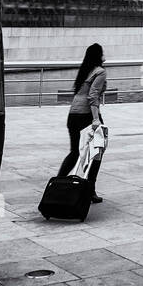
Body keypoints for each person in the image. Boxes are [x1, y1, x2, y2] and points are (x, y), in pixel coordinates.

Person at [58, 43, 107, 203]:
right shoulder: (99, 72)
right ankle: (90, 190)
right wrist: (95, 119)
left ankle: (57, 185)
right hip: (87, 115)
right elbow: (93, 96)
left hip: (73, 115)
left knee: (74, 152)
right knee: (97, 152)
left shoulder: (84, 70)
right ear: (98, 55)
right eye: (102, 53)